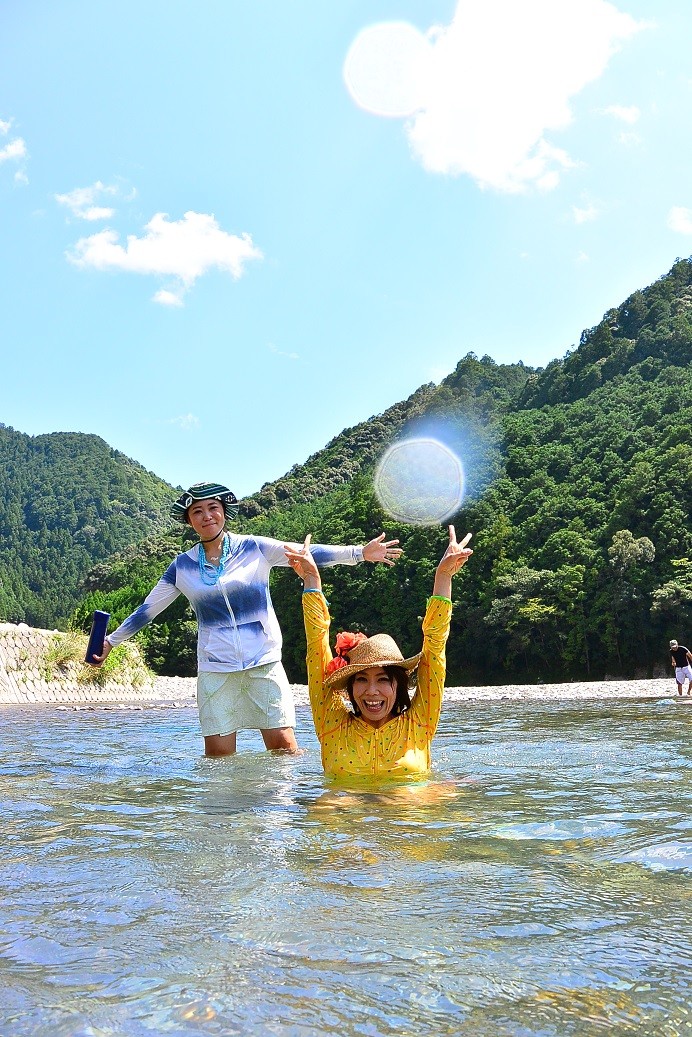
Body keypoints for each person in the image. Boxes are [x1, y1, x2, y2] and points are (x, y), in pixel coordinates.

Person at [91, 482, 403, 756]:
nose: (207, 516)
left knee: (284, 747)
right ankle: (228, 807)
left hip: (263, 661)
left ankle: (281, 806)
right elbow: (147, 610)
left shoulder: (254, 547)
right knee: (218, 756)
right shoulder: (182, 566)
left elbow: (306, 554)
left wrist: (359, 553)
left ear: (224, 512)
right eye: (197, 511)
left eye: (213, 508)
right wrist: (111, 642)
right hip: (216, 668)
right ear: (189, 520)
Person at [284, 525, 473, 779]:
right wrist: (311, 579)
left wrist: (443, 577)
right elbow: (316, 645)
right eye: (362, 679)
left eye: (383, 679)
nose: (371, 691)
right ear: (350, 686)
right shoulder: (332, 724)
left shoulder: (420, 722)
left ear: (398, 684)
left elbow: (435, 647)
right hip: (345, 804)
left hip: (408, 804)